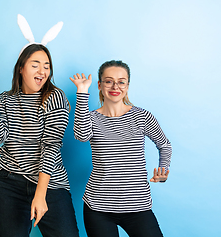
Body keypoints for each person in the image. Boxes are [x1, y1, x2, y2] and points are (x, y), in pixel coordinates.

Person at [0, 15, 79, 237]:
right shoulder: (5, 99)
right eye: (35, 65)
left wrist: (41, 193)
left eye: (47, 66)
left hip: (49, 183)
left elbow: (51, 144)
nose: (42, 71)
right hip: (8, 184)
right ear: (21, 68)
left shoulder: (55, 97)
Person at [70, 60, 172, 237]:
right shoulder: (91, 118)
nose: (115, 86)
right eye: (109, 81)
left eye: (121, 81)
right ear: (100, 85)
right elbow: (81, 135)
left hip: (137, 207)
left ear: (127, 85)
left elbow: (164, 145)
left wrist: (163, 171)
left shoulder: (142, 116)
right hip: (98, 208)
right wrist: (81, 91)